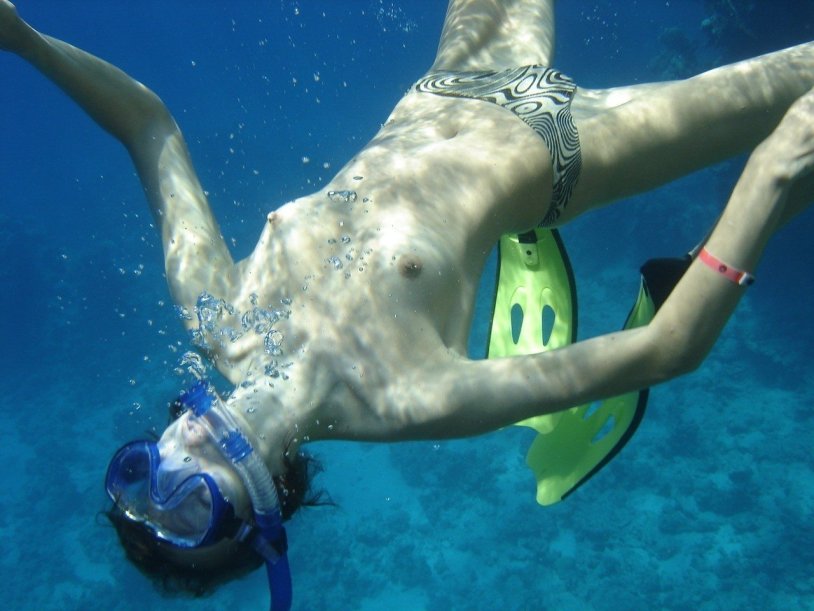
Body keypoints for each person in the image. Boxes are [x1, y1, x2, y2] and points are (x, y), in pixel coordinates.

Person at [2, 0, 814, 608]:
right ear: (261, 512)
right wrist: (773, 169)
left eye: (142, 474)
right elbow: (666, 349)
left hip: (457, 74)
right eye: (189, 508)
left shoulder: (217, 313)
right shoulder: (402, 399)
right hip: (575, 145)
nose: (176, 461)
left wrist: (22, 38)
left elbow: (149, 127)